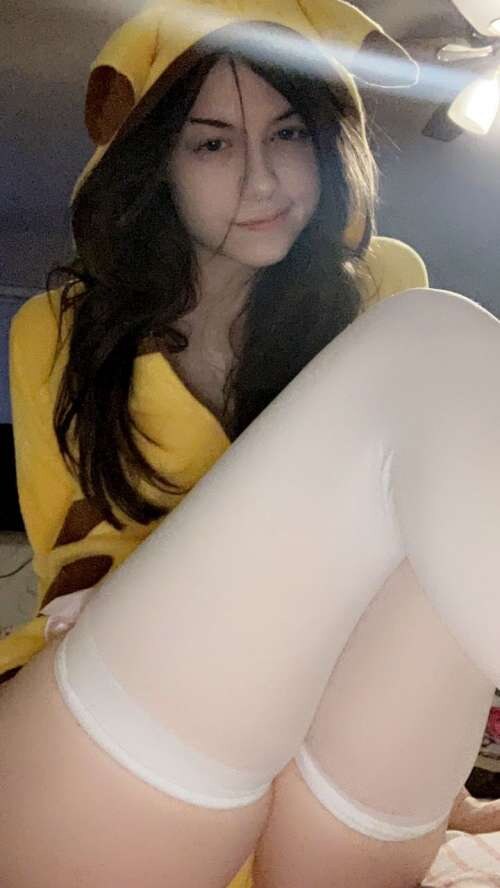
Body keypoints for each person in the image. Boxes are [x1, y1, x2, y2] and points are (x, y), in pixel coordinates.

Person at [2, 4, 500, 886]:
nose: (263, 181)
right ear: (156, 162)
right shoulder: (59, 329)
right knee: (437, 340)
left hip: (316, 749)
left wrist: (435, 748)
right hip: (114, 734)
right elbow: (71, 551)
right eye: (212, 144)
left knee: (433, 491)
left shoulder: (378, 283)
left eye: (289, 133)